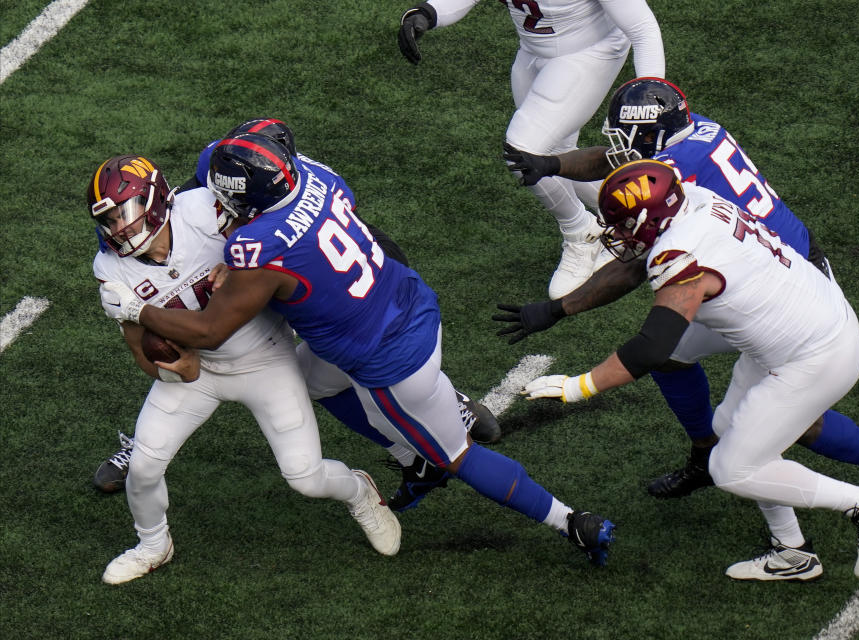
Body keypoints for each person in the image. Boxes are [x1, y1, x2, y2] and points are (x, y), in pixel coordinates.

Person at [98, 131, 616, 566]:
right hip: (406, 298)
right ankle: (414, 454)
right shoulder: (315, 176)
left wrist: (135, 310)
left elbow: (210, 332)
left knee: (455, 455)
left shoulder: (258, 249)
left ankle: (567, 521)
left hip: (384, 359)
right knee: (312, 382)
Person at [499, 77, 859, 499]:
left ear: (652, 135)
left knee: (781, 421)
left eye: (630, 138)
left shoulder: (673, 177)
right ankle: (706, 455)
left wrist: (559, 311)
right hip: (758, 262)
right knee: (675, 361)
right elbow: (621, 159)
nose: (618, 149)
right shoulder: (692, 131)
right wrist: (553, 166)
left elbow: (630, 270)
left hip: (783, 289)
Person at [522, 159, 859, 580]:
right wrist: (560, 308)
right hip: (809, 319)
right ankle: (792, 552)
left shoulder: (680, 253)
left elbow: (652, 347)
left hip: (815, 354)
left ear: (651, 217)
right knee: (729, 428)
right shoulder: (697, 200)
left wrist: (578, 387)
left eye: (626, 224)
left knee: (730, 468)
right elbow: (633, 269)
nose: (620, 234)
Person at [92, 118, 502, 506]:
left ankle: (447, 401)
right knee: (181, 323)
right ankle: (145, 445)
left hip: (300, 279)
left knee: (364, 353)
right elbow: (182, 204)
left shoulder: (303, 201)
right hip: (259, 270)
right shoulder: (223, 178)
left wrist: (237, 270)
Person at [88, 154, 402, 585]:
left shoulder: (203, 209)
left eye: (125, 214)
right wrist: (174, 370)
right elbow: (140, 351)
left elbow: (268, 245)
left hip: (265, 355)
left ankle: (361, 491)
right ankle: (153, 544)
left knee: (305, 476)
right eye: (109, 221)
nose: (119, 229)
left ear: (157, 200)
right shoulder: (110, 268)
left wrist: (236, 263)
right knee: (143, 467)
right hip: (200, 371)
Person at [397, 0, 665, 299]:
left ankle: (581, 232)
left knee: (524, 151)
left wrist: (650, 97)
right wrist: (427, 14)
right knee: (558, 151)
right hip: (534, 51)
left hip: (588, 51)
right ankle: (639, 210)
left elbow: (643, 29)